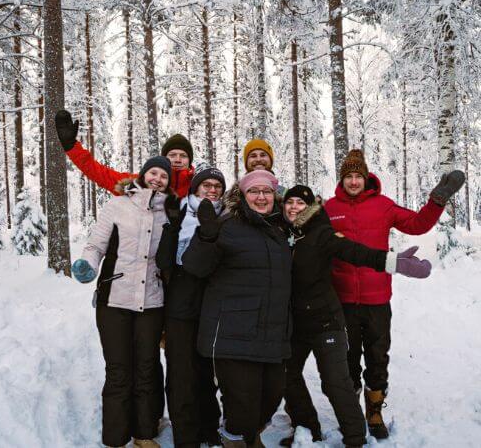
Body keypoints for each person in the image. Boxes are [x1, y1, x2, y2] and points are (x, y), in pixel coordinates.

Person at [324, 149, 464, 439]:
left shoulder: (383, 206)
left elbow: (417, 224)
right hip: (343, 299)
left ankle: (374, 412)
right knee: (346, 358)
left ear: (366, 178)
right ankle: (350, 411)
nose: (353, 181)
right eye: (348, 176)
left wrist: (437, 201)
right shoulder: (329, 208)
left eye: (357, 176)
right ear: (342, 178)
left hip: (377, 300)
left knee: (377, 357)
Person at [279, 185, 432, 448]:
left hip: (325, 321)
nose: (294, 207)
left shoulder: (322, 234)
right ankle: (308, 428)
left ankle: (355, 438)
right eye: (289, 202)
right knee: (285, 374)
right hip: (297, 324)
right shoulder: (284, 235)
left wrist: (394, 262)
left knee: (336, 382)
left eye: (300, 203)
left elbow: (356, 252)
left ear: (311, 207)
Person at [182, 170, 290, 447]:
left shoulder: (282, 228)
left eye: (266, 191)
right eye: (254, 191)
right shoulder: (227, 224)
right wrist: (205, 236)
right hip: (232, 331)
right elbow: (196, 266)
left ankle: (244, 432)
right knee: (243, 402)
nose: (261, 197)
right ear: (243, 195)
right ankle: (238, 438)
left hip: (271, 330)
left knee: (273, 395)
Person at [70, 156, 172, 448]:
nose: (157, 179)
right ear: (142, 175)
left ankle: (143, 434)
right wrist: (87, 265)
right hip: (114, 300)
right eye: (153, 172)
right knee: (118, 370)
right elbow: (96, 245)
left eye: (163, 176)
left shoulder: (169, 213)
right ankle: (115, 438)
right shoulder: (117, 205)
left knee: (145, 368)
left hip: (152, 302)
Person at [155, 166, 226, 448]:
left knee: (207, 372)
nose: (211, 189)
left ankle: (210, 428)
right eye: (205, 185)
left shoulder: (227, 216)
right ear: (195, 189)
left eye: (217, 185)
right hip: (180, 303)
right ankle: (186, 436)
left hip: (213, 303)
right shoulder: (180, 213)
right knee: (181, 372)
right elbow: (163, 259)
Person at [54, 109, 196, 198]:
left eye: (183, 156)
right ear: (164, 158)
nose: (177, 159)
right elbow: (101, 174)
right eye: (172, 155)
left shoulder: (200, 185)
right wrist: (72, 147)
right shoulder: (141, 183)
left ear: (190, 161)